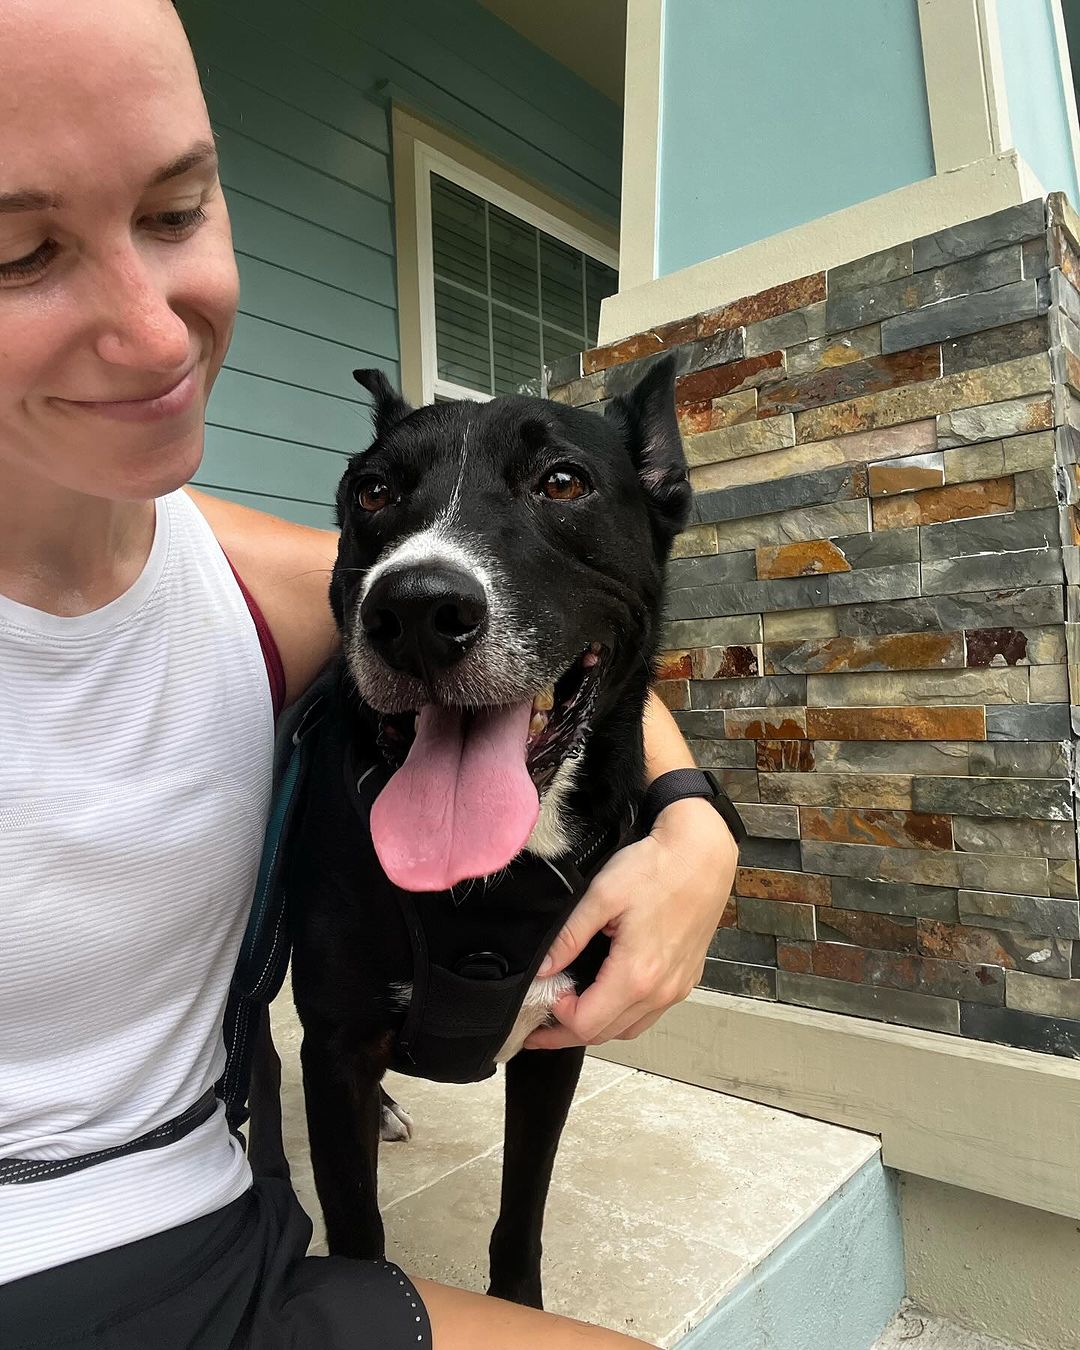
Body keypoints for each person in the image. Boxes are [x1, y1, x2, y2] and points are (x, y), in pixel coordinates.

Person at [0, 1, 739, 1346]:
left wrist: (699, 828)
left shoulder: (236, 585)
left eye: (176, 213)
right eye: (18, 251)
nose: (161, 340)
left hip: (237, 1248)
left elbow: (585, 644)